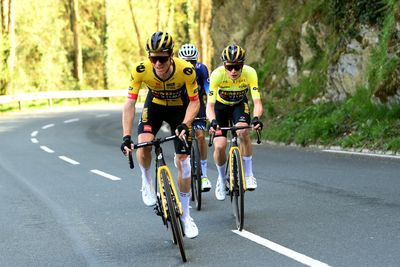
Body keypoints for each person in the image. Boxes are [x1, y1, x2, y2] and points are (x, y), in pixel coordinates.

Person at [121, 31, 200, 238]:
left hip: (179, 110)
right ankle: (146, 182)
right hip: (154, 107)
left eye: (162, 58)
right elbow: (130, 103)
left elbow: (194, 101)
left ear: (171, 55)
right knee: (144, 143)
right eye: (153, 58)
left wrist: (185, 123)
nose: (157, 63)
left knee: (184, 162)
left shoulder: (186, 70)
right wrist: (126, 136)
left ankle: (185, 216)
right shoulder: (140, 70)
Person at [206, 44, 264, 201]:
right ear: (224, 65)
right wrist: (212, 121)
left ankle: (249, 174)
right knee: (219, 145)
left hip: (239, 105)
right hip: (220, 107)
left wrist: (257, 118)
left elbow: (257, 102)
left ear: (242, 65)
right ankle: (221, 179)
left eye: (237, 67)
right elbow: (209, 106)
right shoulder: (217, 75)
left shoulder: (250, 73)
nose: (233, 71)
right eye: (229, 67)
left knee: (243, 131)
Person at [178, 43, 212, 192]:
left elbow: (208, 90)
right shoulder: (176, 70)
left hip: (197, 105)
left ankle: (204, 174)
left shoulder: (201, 69)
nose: (189, 65)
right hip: (180, 107)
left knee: (199, 135)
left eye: (192, 61)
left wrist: (212, 106)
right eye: (186, 61)